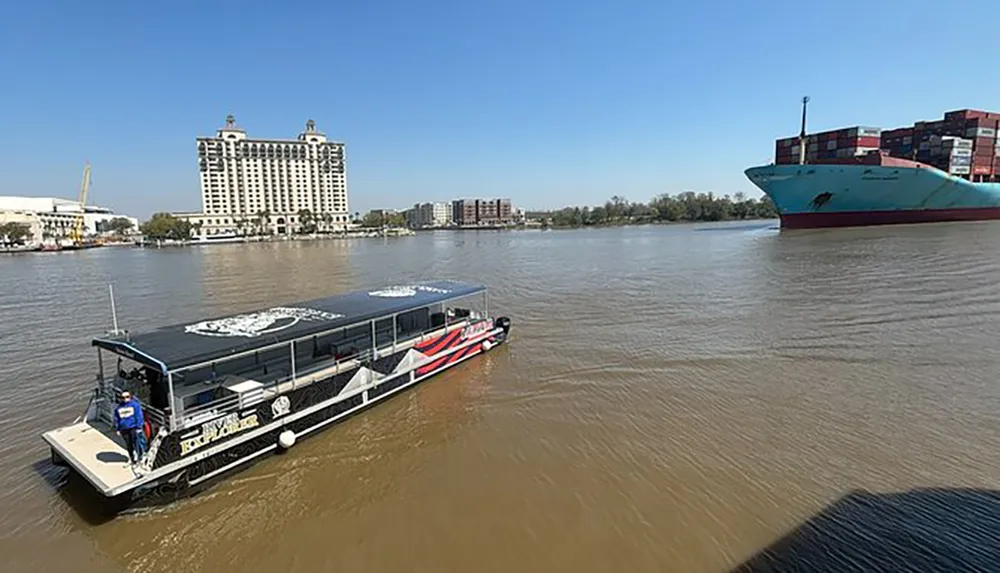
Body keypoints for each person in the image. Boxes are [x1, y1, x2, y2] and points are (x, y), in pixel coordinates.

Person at [114, 391, 147, 465]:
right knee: (129, 444)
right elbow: (116, 419)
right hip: (124, 429)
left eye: (127, 397)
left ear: (130, 397)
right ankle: (132, 459)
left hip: (133, 427)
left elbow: (139, 416)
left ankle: (141, 457)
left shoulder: (135, 405)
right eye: (123, 397)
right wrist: (117, 429)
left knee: (137, 443)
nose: (125, 399)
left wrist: (139, 426)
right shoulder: (118, 408)